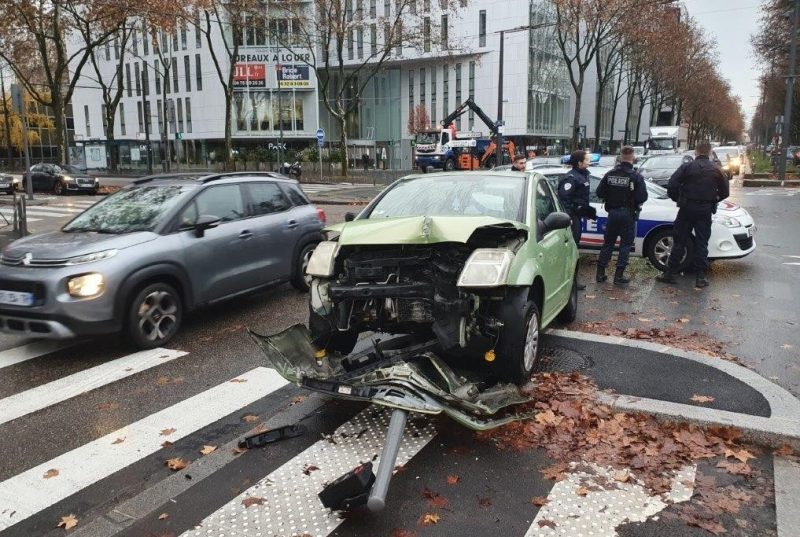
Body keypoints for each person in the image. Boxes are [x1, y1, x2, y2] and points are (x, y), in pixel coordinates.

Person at [656, 141, 729, 288]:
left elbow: (672, 186)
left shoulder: (687, 167)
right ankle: (700, 277)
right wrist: (713, 200)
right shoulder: (716, 169)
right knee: (702, 242)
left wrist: (679, 199)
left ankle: (670, 273)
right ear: (709, 152)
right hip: (705, 210)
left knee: (679, 240)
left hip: (687, 208)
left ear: (695, 152)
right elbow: (725, 192)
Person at [595, 146, 648, 285]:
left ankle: (600, 273)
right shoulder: (635, 176)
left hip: (612, 213)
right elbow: (642, 196)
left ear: (620, 156)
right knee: (625, 245)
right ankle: (618, 276)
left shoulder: (610, 174)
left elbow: (599, 192)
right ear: (633, 157)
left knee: (608, 243)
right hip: (628, 214)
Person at [558, 150, 597, 290]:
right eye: (587, 159)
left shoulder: (583, 175)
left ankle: (572, 279)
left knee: (575, 249)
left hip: (578, 216)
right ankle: (571, 281)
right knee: (571, 250)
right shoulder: (571, 178)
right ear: (580, 163)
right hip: (572, 218)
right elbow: (564, 200)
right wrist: (570, 218)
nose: (589, 161)